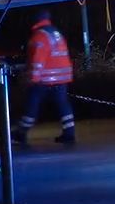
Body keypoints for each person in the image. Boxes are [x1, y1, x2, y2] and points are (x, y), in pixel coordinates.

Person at [12, 10, 77, 145]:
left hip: (44, 79)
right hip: (62, 78)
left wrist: (32, 79)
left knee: (32, 104)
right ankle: (69, 133)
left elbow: (37, 61)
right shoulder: (56, 33)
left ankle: (21, 133)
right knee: (62, 104)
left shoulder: (39, 36)